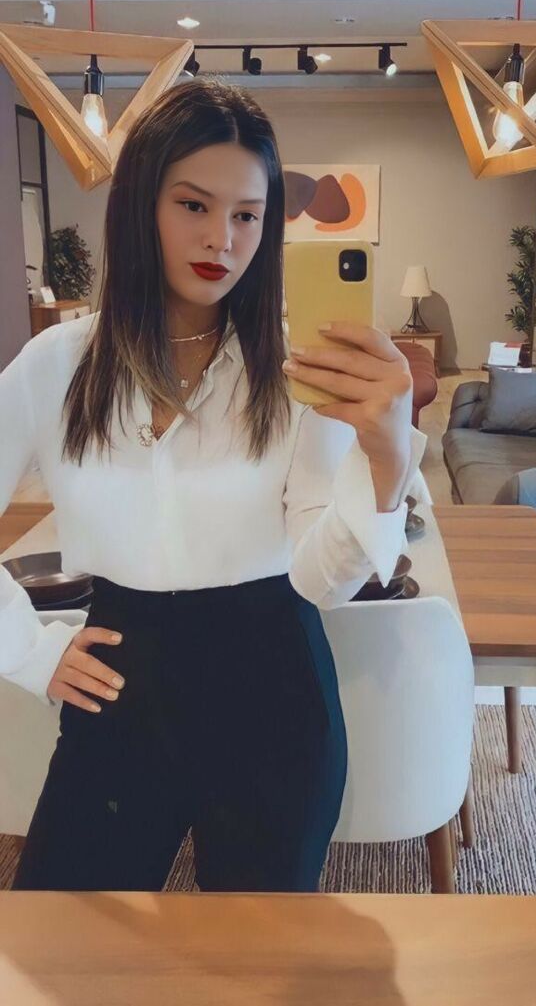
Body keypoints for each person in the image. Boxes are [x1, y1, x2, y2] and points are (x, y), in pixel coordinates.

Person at [1, 79, 429, 893]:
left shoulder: (294, 370)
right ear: (141, 205)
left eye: (247, 215)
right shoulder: (58, 366)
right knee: (63, 935)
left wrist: (384, 462)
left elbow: (320, 579)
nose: (221, 239)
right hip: (120, 674)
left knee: (256, 950)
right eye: (193, 204)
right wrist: (31, 651)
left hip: (273, 680)